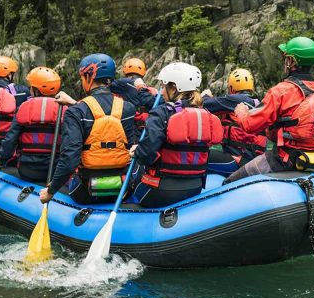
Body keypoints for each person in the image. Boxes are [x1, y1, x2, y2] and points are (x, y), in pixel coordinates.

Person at [223, 37, 314, 184]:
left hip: (282, 160)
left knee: (230, 182)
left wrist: (241, 113)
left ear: (291, 61)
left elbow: (250, 125)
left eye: (286, 58)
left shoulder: (280, 91)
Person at [40, 54, 136, 205]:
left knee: (66, 183)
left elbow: (69, 160)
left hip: (86, 191)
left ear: (88, 77)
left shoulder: (76, 112)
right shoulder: (128, 108)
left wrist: (50, 191)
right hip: (122, 188)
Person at [129, 62, 223, 207]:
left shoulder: (161, 113)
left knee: (135, 176)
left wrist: (137, 152)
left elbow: (147, 154)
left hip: (162, 191)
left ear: (173, 88)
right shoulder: (206, 115)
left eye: (163, 86)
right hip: (195, 187)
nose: (161, 91)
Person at [0, 67, 66, 183]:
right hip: (54, 172)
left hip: (27, 171)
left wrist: (2, 161)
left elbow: (10, 140)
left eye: (31, 87)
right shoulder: (65, 110)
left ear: (36, 90)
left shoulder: (23, 108)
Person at [202, 68, 267, 174]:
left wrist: (205, 95)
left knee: (198, 156)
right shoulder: (257, 102)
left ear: (231, 88)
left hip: (239, 162)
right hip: (255, 162)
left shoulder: (234, 100)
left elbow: (204, 104)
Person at [110, 57, 157, 132]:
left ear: (125, 70)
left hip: (131, 126)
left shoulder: (123, 83)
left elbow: (107, 85)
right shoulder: (147, 88)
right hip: (145, 127)